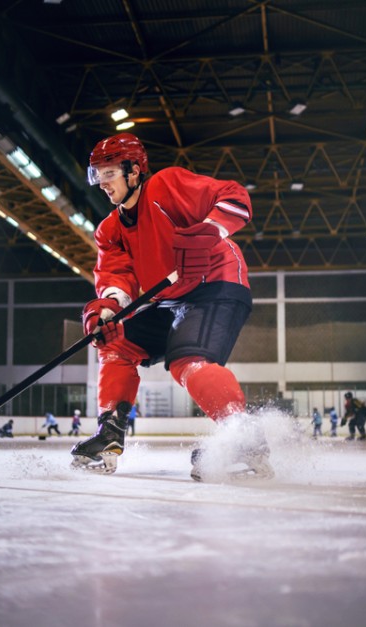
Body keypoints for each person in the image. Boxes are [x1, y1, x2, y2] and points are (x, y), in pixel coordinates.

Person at [70, 132, 270, 480]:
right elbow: (117, 280)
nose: (101, 183)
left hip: (217, 282)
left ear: (134, 171)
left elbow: (234, 199)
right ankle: (110, 433)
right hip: (172, 297)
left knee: (187, 361)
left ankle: (244, 439)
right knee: (115, 340)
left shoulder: (165, 186)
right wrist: (107, 312)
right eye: (97, 175)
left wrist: (209, 231)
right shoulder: (110, 231)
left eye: (109, 173)